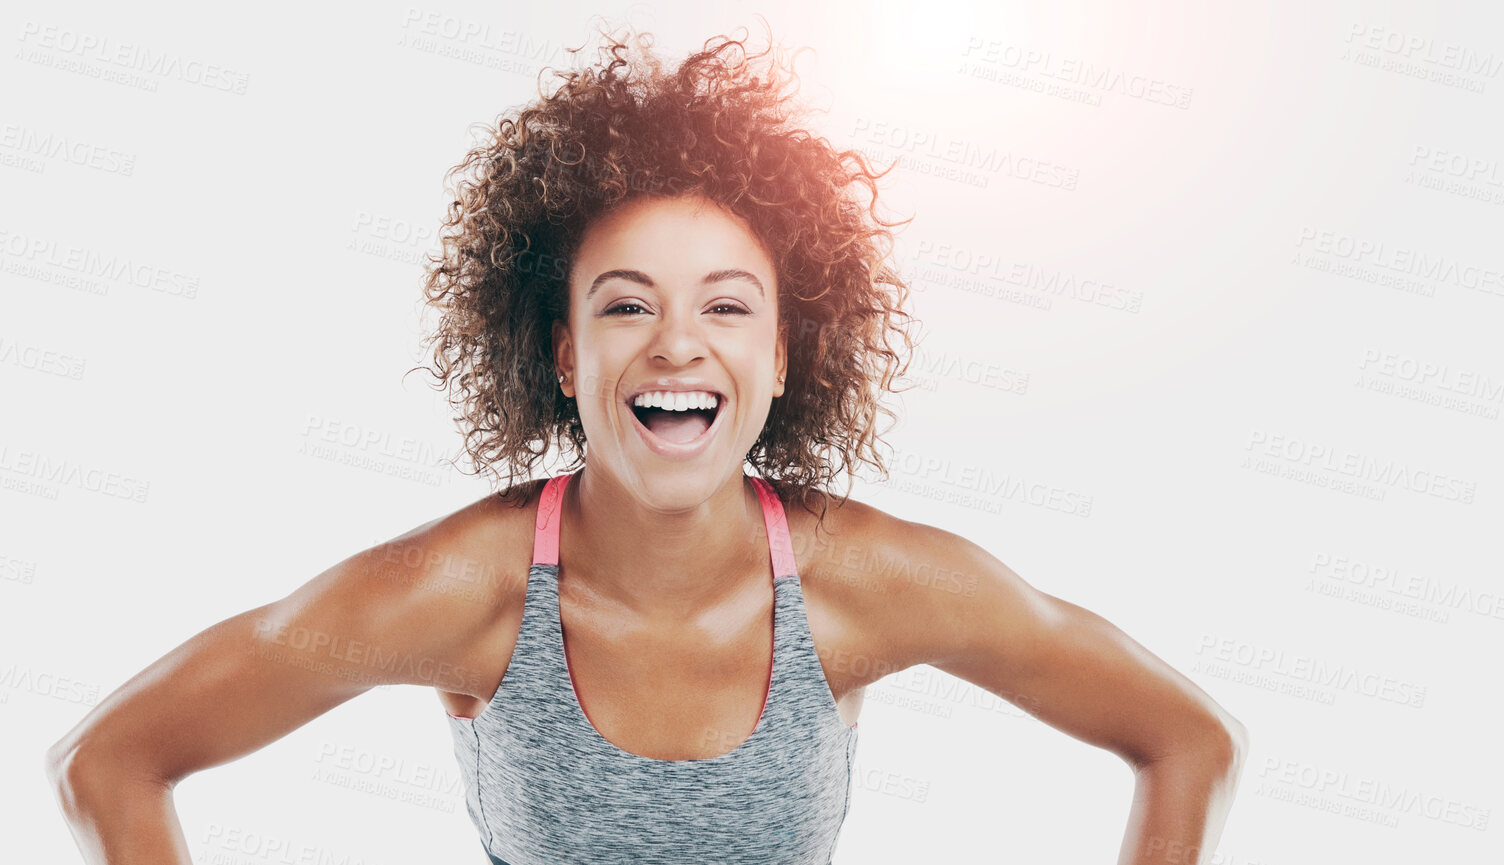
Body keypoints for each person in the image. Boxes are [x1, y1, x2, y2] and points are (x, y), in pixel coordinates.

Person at [44, 27, 1246, 865]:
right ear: (564, 357)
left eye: (727, 306)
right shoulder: (469, 591)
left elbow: (1184, 737)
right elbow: (114, 762)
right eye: (626, 305)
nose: (678, 344)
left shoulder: (867, 584)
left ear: (784, 356)